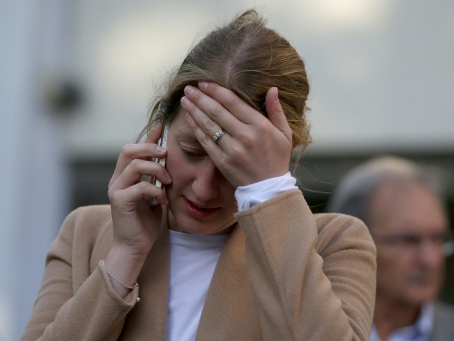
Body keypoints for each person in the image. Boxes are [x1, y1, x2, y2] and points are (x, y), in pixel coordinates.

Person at [22, 9, 376, 340]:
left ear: (284, 150)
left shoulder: (335, 243)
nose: (204, 189)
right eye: (191, 152)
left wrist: (270, 192)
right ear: (161, 128)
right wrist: (124, 257)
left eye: (232, 167)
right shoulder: (86, 233)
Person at [328, 156, 454, 341]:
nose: (430, 259)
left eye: (438, 239)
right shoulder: (301, 331)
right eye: (408, 240)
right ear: (350, 243)